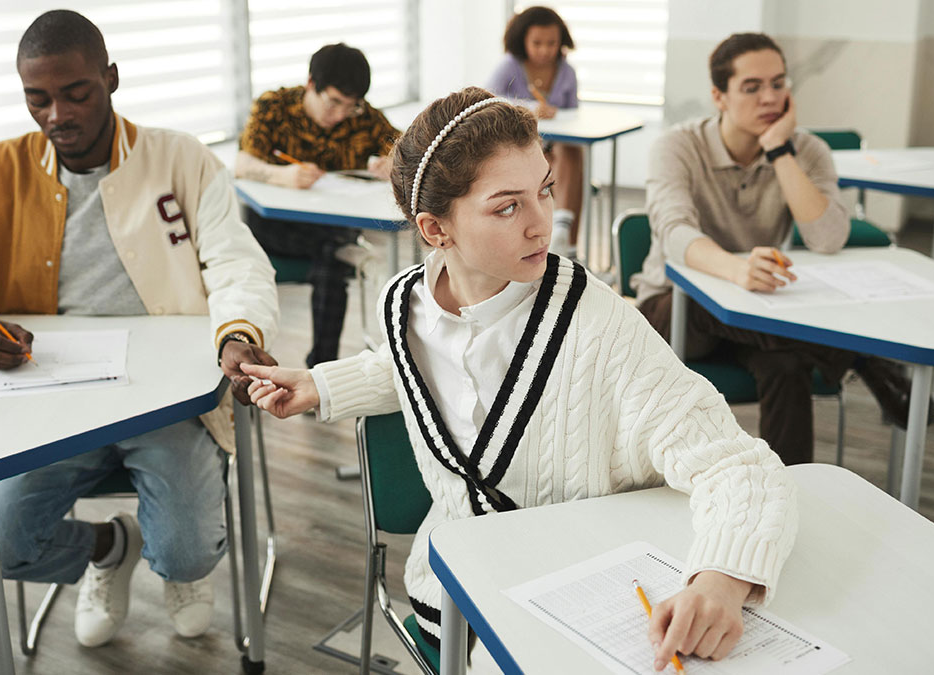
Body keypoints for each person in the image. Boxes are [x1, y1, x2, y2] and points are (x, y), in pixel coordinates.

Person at [241, 87, 798, 673]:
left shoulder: (597, 320)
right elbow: (417, 366)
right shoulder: (401, 305)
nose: (542, 225)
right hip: (454, 591)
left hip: (589, 590)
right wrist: (322, 386)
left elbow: (737, 465)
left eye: (545, 191)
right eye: (507, 207)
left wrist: (720, 580)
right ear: (436, 231)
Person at [0, 10, 279, 648]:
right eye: (37, 99)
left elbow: (237, 264)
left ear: (111, 79)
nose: (57, 115)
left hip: (167, 396)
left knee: (185, 552)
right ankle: (110, 547)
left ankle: (179, 564)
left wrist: (237, 331)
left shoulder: (179, 159)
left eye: (76, 93)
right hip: (50, 398)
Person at [631, 32, 921, 466]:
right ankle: (858, 354)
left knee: (786, 367)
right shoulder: (677, 146)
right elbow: (674, 233)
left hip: (758, 312)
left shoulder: (808, 150)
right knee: (702, 303)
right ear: (719, 96)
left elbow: (827, 237)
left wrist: (780, 150)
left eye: (779, 83)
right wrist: (733, 269)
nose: (770, 97)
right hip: (676, 310)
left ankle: (792, 487)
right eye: (752, 87)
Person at [235, 43, 400, 368]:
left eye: (349, 107)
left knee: (330, 255)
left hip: (332, 227)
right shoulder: (274, 107)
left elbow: (409, 149)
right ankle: (322, 368)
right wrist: (281, 175)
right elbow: (241, 164)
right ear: (312, 84)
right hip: (274, 227)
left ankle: (321, 367)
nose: (340, 114)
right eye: (334, 102)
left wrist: (392, 164)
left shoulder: (363, 118)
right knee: (334, 255)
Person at [486, 6, 584, 259]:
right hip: (518, 149)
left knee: (572, 152)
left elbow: (573, 118)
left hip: (557, 151)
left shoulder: (567, 72)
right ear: (523, 41)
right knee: (561, 161)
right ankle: (561, 239)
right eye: (537, 43)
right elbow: (487, 105)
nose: (545, 50)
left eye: (551, 43)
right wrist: (532, 108)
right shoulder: (508, 67)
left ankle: (565, 240)